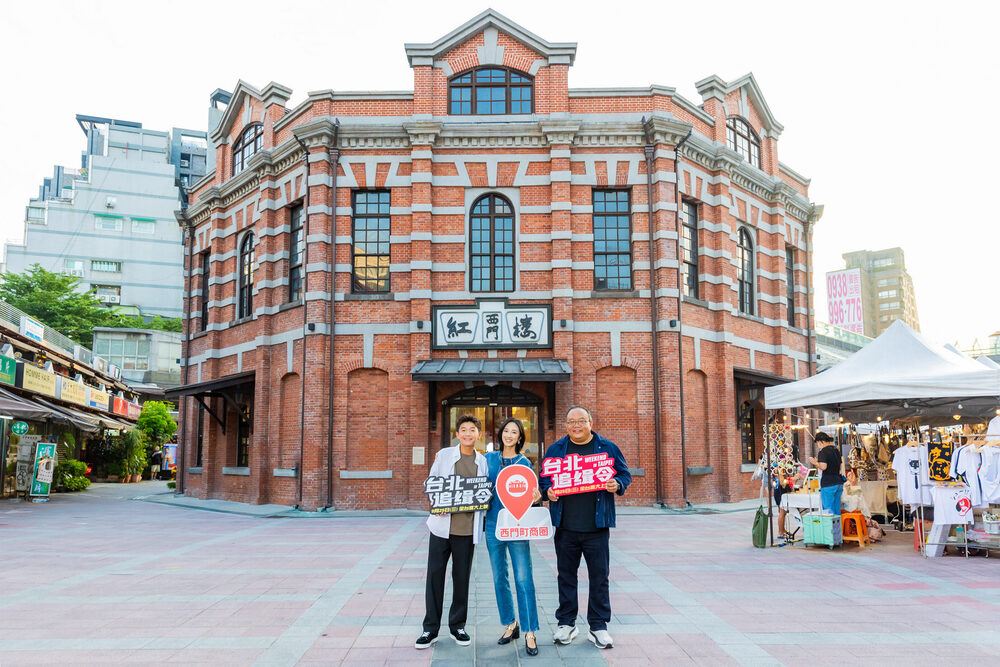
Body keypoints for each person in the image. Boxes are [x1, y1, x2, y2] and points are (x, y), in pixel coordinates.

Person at [539, 405, 631, 650]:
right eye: (571, 421)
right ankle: (566, 623)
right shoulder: (556, 449)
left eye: (581, 420)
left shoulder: (607, 448)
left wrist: (617, 484)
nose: (576, 425)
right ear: (566, 425)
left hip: (597, 526)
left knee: (599, 577)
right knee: (566, 576)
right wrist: (547, 491)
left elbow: (625, 474)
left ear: (590, 422)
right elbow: (543, 480)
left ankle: (598, 626)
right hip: (565, 527)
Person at [415, 414, 487, 650]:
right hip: (441, 526)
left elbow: (484, 490)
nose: (468, 434)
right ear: (458, 434)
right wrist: (439, 504)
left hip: (466, 529)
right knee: (435, 576)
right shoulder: (445, 455)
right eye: (463, 430)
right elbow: (433, 481)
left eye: (472, 430)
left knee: (462, 578)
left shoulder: (482, 461)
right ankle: (430, 629)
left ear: (478, 434)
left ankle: (458, 626)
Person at [485, 418, 542, 656]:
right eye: (506, 431)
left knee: (523, 577)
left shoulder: (524, 463)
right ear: (501, 434)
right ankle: (510, 624)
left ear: (520, 438)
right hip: (492, 525)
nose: (509, 435)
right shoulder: (487, 459)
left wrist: (536, 498)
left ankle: (530, 631)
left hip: (517, 526)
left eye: (514, 432)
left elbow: (530, 495)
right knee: (500, 577)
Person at [809, 432, 844, 514]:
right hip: (838, 483)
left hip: (828, 484)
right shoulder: (836, 450)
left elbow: (823, 467)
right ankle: (837, 527)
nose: (818, 446)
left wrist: (815, 463)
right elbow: (840, 465)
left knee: (828, 511)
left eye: (817, 443)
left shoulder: (823, 451)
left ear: (821, 442)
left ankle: (830, 527)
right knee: (836, 510)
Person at [774, 472, 802, 540]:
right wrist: (793, 478)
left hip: (784, 491)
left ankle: (783, 531)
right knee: (782, 512)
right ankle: (780, 532)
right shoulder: (778, 468)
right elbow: (781, 482)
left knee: (784, 513)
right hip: (780, 492)